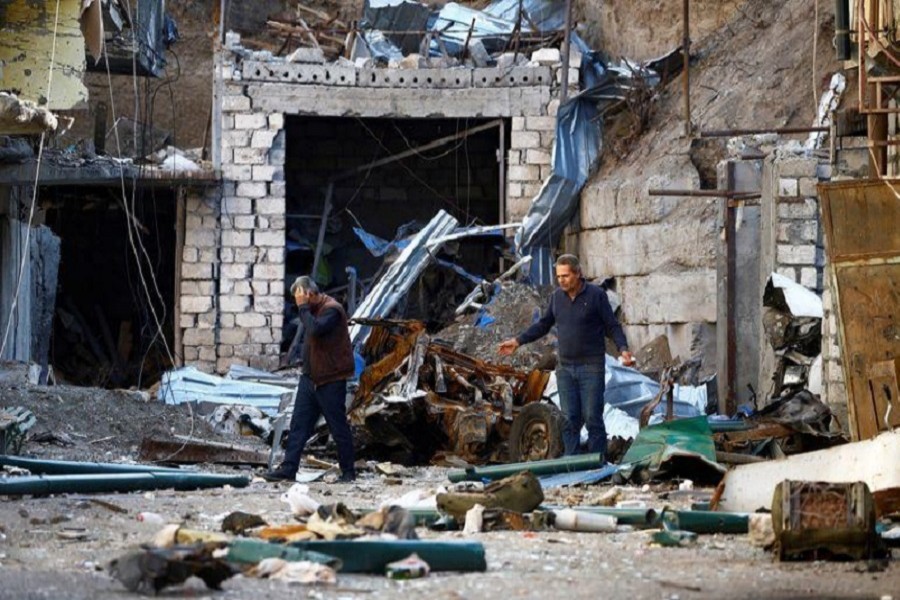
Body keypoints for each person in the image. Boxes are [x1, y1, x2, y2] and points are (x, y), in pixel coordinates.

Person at [498, 254, 633, 458]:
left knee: (592, 417)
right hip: (565, 368)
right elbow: (543, 325)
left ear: (578, 274)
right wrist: (518, 341)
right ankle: (572, 464)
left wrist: (623, 349)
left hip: (591, 367)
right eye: (558, 276)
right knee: (569, 419)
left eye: (565, 275)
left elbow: (612, 325)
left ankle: (597, 463)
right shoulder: (557, 298)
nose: (561, 280)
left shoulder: (596, 296)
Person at [264, 276, 357, 482]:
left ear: (310, 294)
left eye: (302, 298)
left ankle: (348, 472)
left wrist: (303, 308)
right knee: (299, 425)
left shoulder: (332, 309)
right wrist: (305, 309)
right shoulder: (313, 311)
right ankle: (289, 469)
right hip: (310, 379)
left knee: (337, 426)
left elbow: (314, 329)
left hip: (330, 380)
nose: (300, 304)